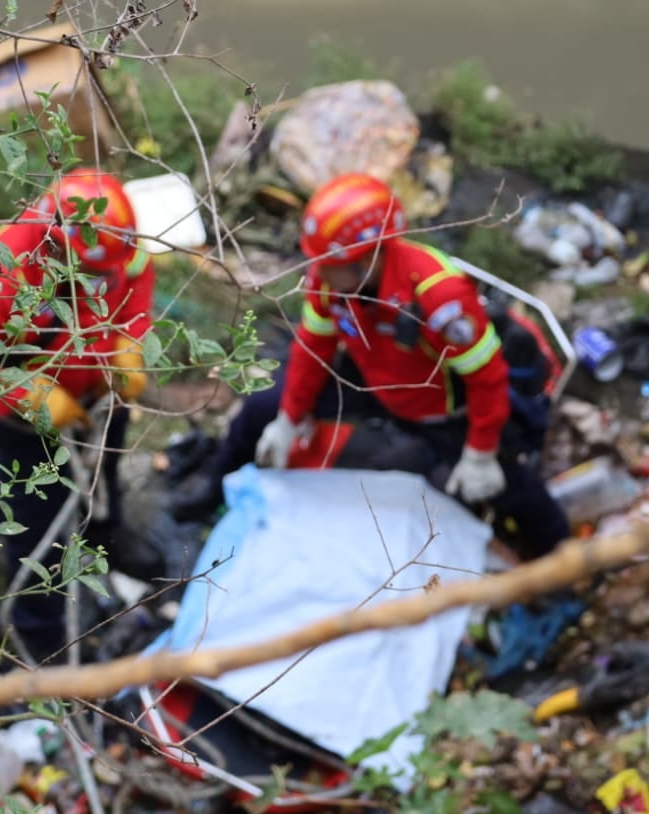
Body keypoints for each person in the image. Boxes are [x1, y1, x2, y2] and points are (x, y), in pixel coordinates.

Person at [169, 172, 582, 673]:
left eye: (331, 264)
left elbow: (488, 378)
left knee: (514, 489)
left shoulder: (438, 297)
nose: (317, 273)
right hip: (371, 382)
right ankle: (214, 485)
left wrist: (480, 452)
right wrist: (289, 418)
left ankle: (564, 568)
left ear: (371, 256)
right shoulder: (333, 279)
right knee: (259, 411)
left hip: (441, 409)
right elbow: (313, 348)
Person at [0, 167, 153, 664]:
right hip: (27, 421)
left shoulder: (113, 239)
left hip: (98, 390)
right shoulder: (5, 268)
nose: (103, 285)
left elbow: (137, 275)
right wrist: (24, 393)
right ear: (55, 253)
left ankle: (105, 539)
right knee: (39, 520)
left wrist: (129, 342)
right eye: (91, 278)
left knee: (104, 471)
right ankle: (40, 640)